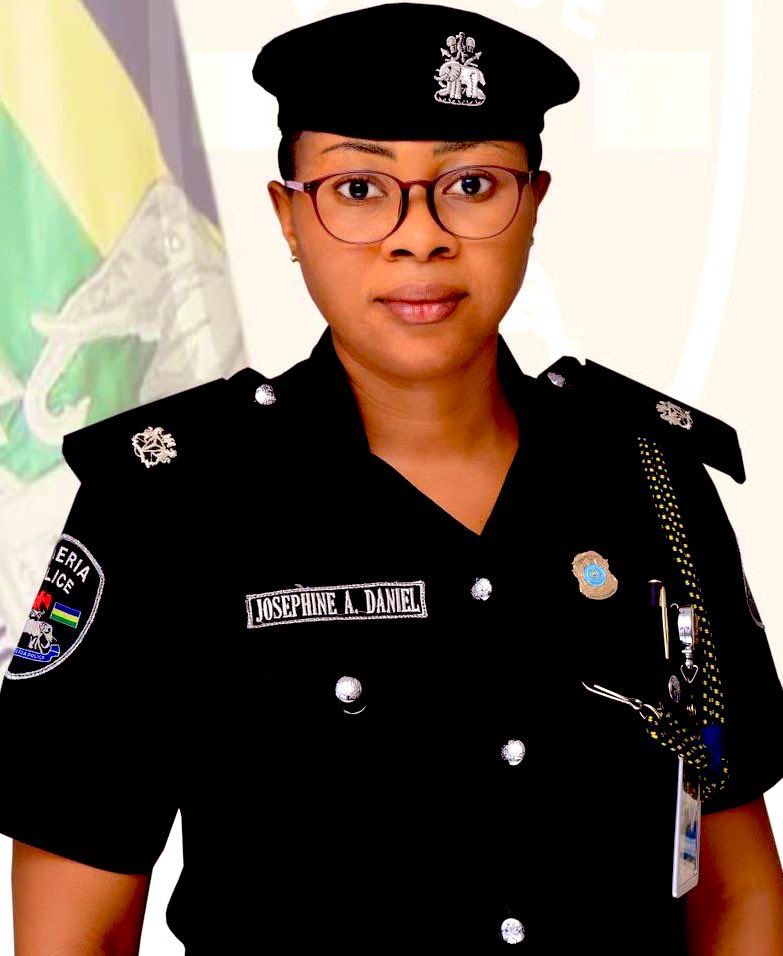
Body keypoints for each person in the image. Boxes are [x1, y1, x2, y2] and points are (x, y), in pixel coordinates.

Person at [1, 2, 782, 953]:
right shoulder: (165, 505)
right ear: (289, 216)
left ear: (534, 204)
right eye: (360, 188)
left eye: (471, 184)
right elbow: (71, 934)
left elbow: (736, 895)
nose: (419, 237)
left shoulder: (652, 482)